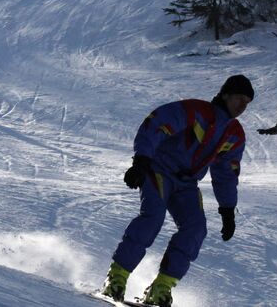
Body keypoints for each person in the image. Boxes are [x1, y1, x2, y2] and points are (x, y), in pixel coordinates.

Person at [101, 75, 254, 307]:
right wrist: (141, 160)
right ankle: (117, 278)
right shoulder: (197, 111)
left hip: (186, 184)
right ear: (225, 95)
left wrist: (227, 209)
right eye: (239, 99)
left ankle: (161, 287)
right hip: (159, 170)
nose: (243, 106)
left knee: (195, 229)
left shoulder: (234, 134)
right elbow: (156, 124)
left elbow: (226, 172)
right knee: (153, 217)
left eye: (247, 102)